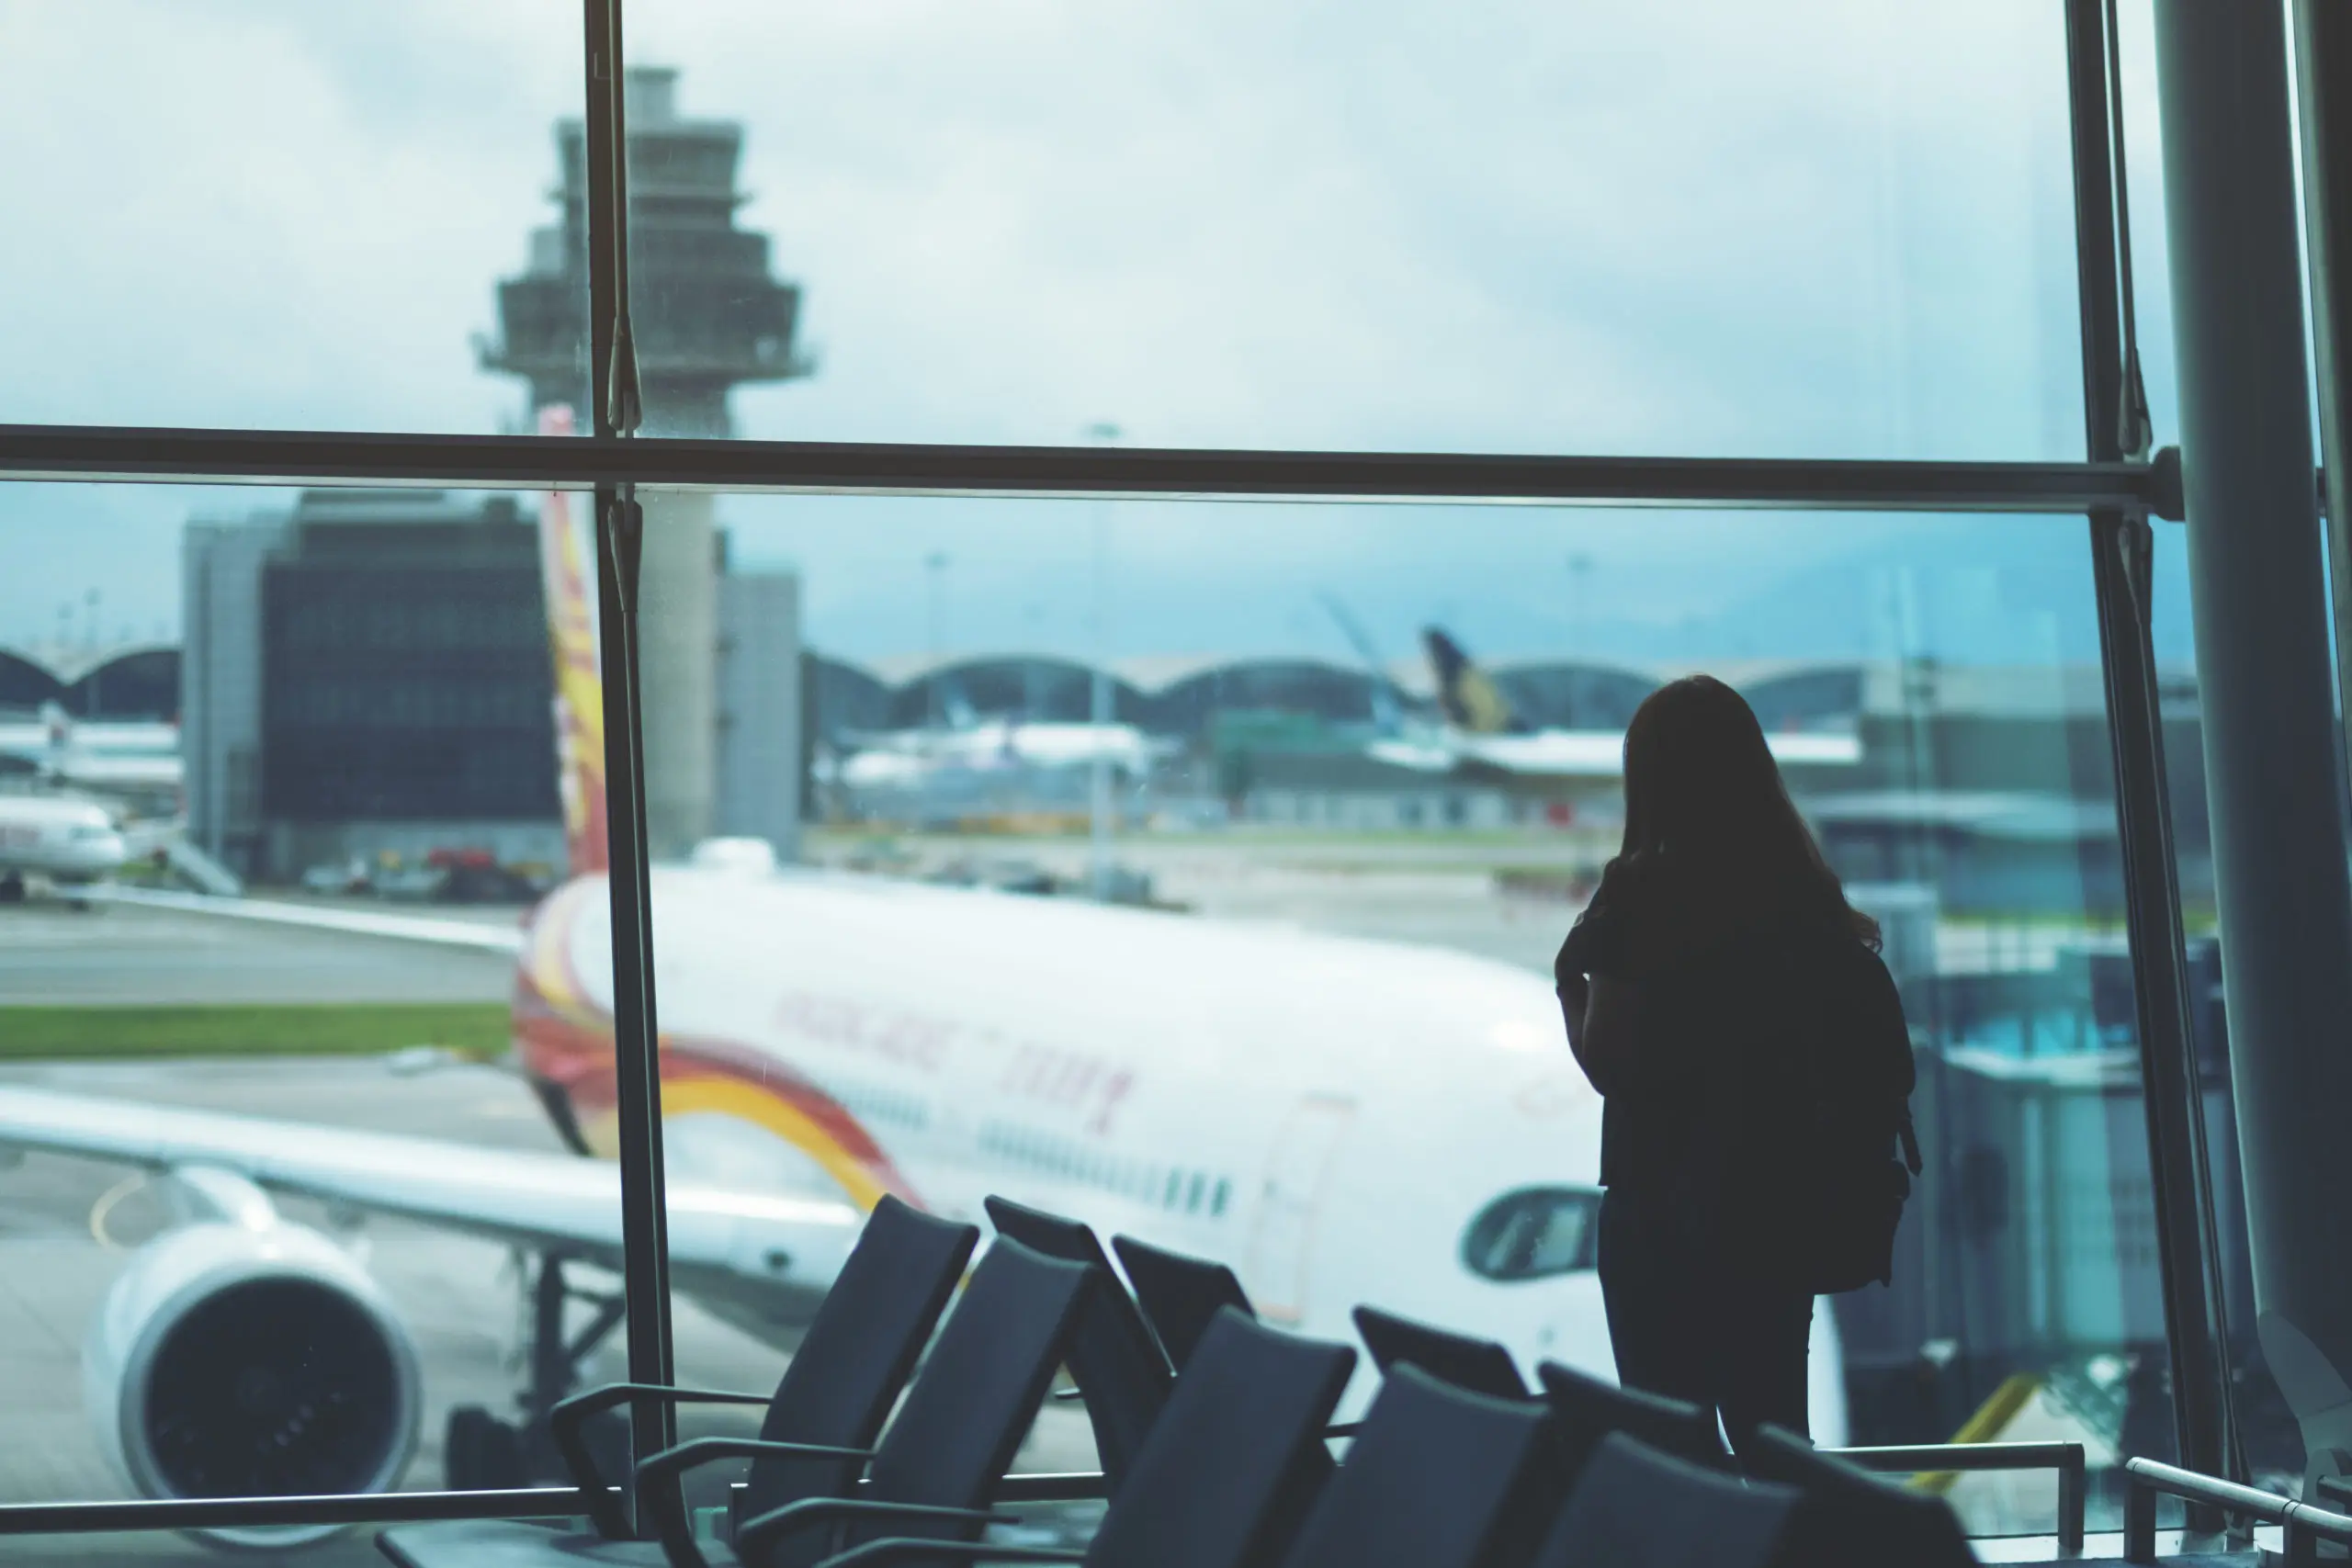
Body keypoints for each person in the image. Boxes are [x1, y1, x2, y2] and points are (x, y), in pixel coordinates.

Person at [1554, 674, 1903, 1450]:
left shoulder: (1641, 894)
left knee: (1672, 1447)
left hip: (1662, 1211)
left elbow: (1609, 1062)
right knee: (1777, 1437)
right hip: (1776, 1209)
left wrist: (1566, 988)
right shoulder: (1800, 896)